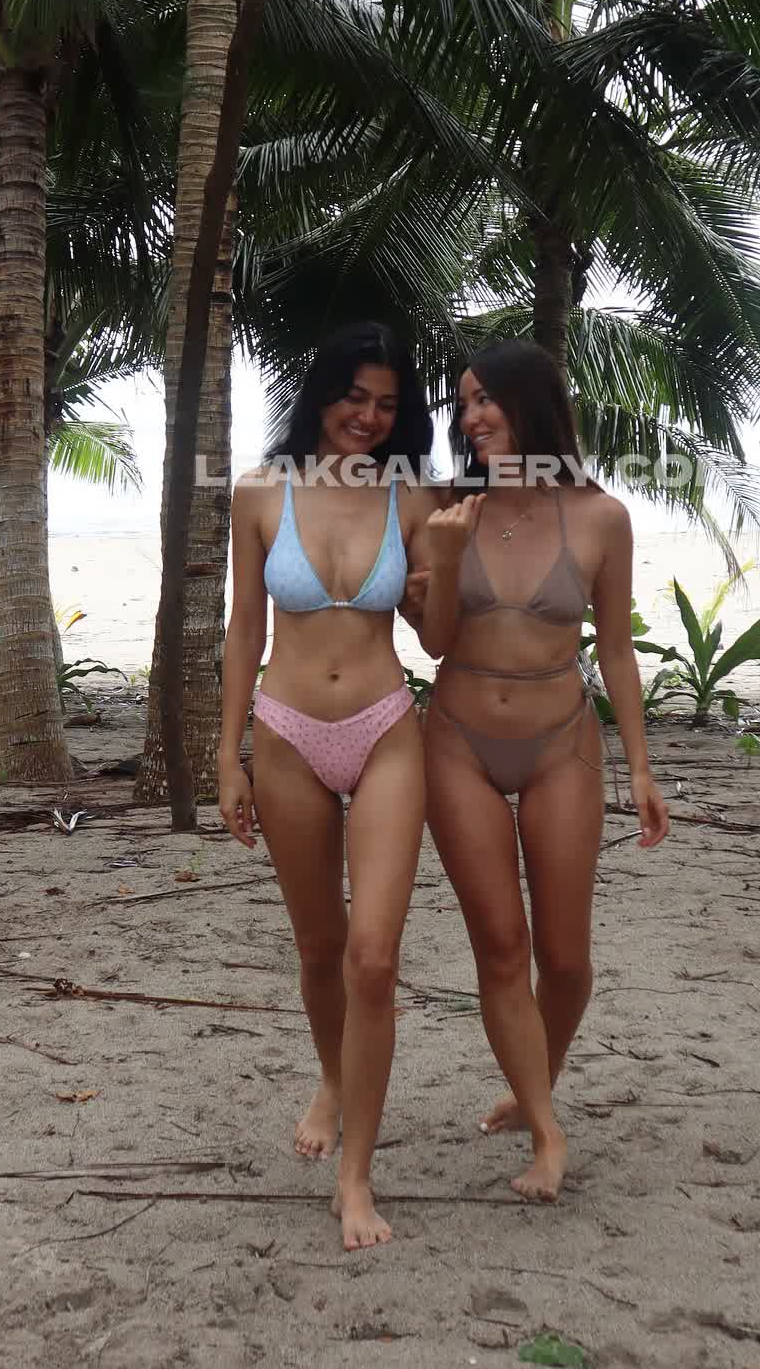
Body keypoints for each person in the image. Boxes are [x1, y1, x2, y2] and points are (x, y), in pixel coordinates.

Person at [414, 339, 669, 1204]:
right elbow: (434, 643)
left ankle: (534, 1087)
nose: (470, 418)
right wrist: (445, 559)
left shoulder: (601, 518)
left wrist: (641, 767)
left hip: (563, 742)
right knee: (501, 947)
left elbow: (619, 650)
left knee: (564, 960)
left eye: (485, 399)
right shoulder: (448, 509)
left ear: (531, 406)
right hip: (458, 743)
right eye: (463, 404)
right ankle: (548, 1131)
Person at [216, 321, 438, 1252]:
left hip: (386, 728)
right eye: (354, 396)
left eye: (387, 404)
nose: (369, 417)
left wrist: (435, 584)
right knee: (319, 948)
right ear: (321, 394)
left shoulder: (414, 496)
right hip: (287, 734)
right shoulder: (260, 491)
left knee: (373, 959)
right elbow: (244, 629)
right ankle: (335, 1079)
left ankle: (357, 1178)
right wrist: (226, 753)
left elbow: (437, 638)